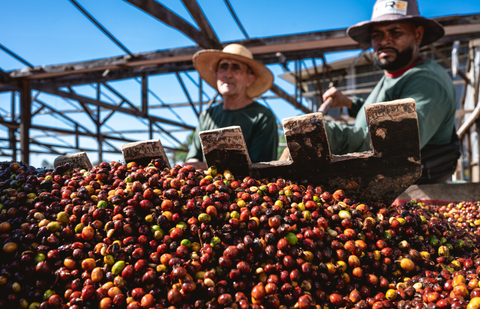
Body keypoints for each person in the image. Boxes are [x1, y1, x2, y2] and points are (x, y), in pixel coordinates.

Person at [282, 0, 459, 184]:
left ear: (417, 35)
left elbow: (396, 143)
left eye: (395, 32)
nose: (384, 41)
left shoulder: (425, 81)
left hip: (411, 192)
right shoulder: (396, 74)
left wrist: (326, 134)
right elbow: (384, 110)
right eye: (377, 34)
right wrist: (349, 103)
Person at [184, 44, 278, 170]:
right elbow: (194, 157)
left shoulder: (262, 117)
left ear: (249, 79)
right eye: (223, 67)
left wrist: (208, 169)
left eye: (236, 68)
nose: (228, 74)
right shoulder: (208, 115)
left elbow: (260, 170)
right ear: (217, 74)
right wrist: (190, 166)